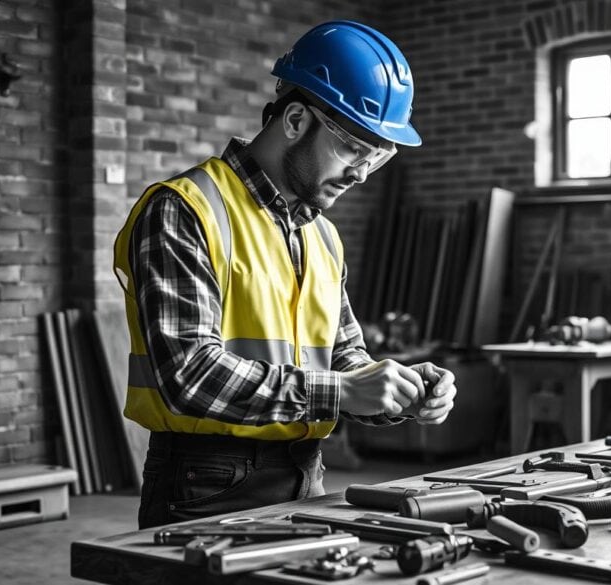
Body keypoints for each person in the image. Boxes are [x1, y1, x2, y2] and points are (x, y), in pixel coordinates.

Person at [112, 20, 457, 529]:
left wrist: (398, 391)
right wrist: (341, 392)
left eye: (377, 158)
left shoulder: (321, 235)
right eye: (353, 149)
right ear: (295, 120)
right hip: (204, 485)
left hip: (306, 475)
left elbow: (344, 358)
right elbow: (189, 374)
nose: (362, 173)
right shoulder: (185, 210)